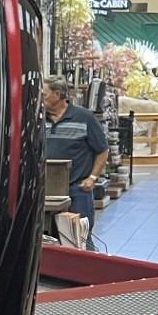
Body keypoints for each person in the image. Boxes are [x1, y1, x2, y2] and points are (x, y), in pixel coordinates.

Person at [42, 77, 107, 229]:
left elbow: (102, 150)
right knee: (49, 235)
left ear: (57, 95)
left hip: (78, 190)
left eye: (44, 94)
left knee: (78, 234)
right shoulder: (38, 119)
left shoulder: (85, 118)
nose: (41, 98)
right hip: (47, 190)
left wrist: (92, 178)